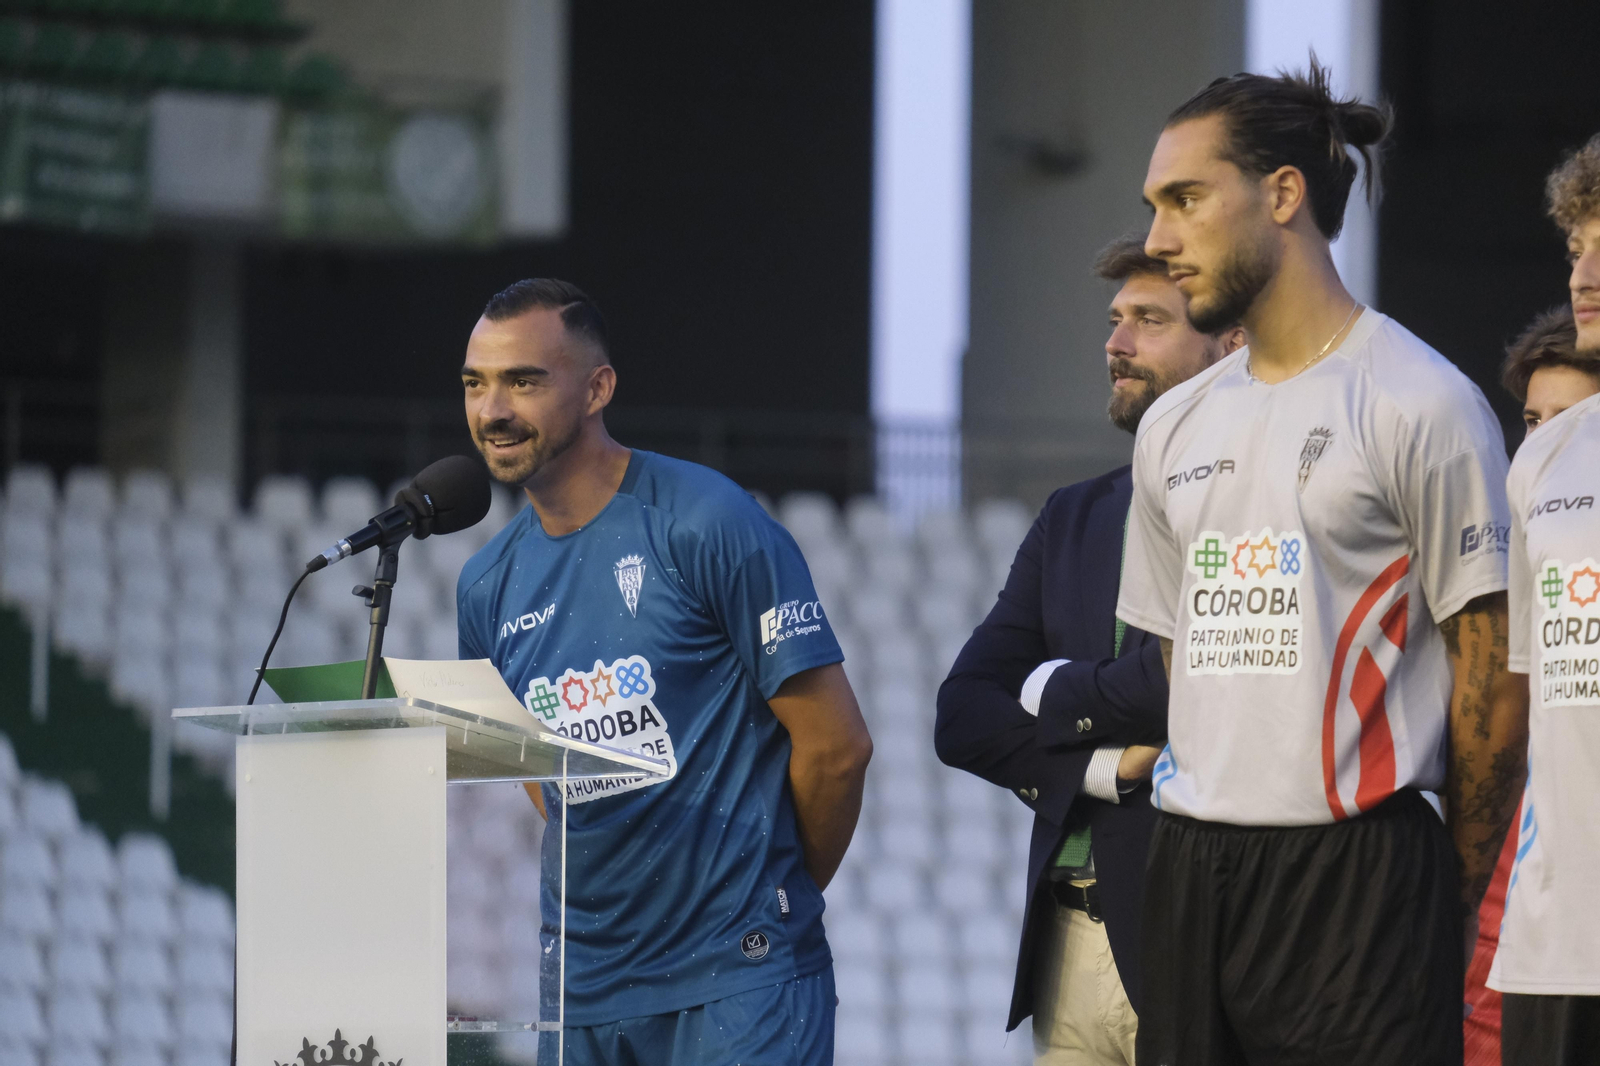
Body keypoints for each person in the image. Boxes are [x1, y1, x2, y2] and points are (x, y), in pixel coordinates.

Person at [1116, 60, 1529, 1065]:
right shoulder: (1170, 425)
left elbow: (1493, 684)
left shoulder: (1418, 401)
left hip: (1358, 870)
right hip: (1188, 865)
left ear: (1284, 194)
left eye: (1185, 200)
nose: (1160, 240)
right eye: (1153, 208)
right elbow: (1179, 664)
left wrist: (1433, 882)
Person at [454, 278, 873, 1065]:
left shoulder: (707, 521)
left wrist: (768, 897)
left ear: (598, 388)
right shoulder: (485, 587)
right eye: (476, 384)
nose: (493, 409)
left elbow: (838, 748)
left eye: (525, 380)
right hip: (584, 988)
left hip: (739, 981)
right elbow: (545, 783)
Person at [935, 235, 1244, 1065]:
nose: (1117, 343)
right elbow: (961, 715)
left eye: (1149, 320)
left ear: (1232, 344)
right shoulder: (1073, 514)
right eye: (1115, 321)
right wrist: (1109, 768)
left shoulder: (1261, 504)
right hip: (1064, 951)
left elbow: (1192, 686)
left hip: (1194, 948)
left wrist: (1059, 688)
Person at [1490, 134, 1600, 1066]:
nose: (1587, 274)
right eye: (1576, 249)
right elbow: (1526, 701)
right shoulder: (1548, 455)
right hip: (1555, 945)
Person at [1464, 305, 1593, 1066]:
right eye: (1531, 422)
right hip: (1532, 911)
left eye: (1570, 424)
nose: (1544, 448)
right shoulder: (1518, 553)